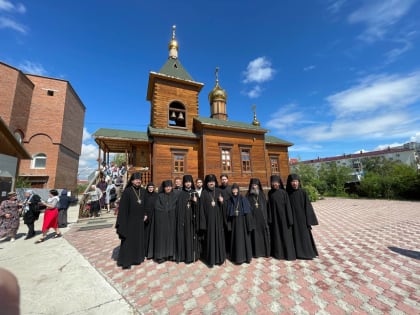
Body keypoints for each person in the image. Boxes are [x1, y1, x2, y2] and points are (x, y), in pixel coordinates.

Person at [115, 172, 147, 269]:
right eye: (136, 179)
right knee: (128, 241)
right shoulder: (127, 191)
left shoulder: (143, 191)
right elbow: (123, 209)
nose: (138, 181)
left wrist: (145, 213)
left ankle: (137, 258)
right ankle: (126, 261)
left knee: (138, 240)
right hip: (129, 221)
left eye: (139, 179)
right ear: (132, 181)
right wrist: (123, 222)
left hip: (140, 221)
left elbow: (145, 204)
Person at [286, 174, 319, 259]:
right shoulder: (287, 194)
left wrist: (309, 221)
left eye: (296, 181)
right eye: (293, 181)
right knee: (294, 236)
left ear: (299, 182)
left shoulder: (303, 192)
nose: (295, 183)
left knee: (304, 236)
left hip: (302, 219)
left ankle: (307, 253)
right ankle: (297, 253)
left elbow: (308, 206)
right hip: (292, 219)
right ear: (290, 183)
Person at [199, 174, 226, 267]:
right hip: (209, 221)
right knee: (210, 239)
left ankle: (219, 258)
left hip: (218, 220)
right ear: (206, 183)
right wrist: (203, 223)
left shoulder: (219, 191)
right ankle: (211, 259)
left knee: (219, 238)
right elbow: (201, 209)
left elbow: (224, 207)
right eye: (210, 182)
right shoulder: (204, 193)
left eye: (213, 181)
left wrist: (222, 202)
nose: (211, 183)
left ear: (215, 182)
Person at [267, 175, 296, 260]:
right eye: (273, 183)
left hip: (284, 219)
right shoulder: (270, 193)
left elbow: (288, 207)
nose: (275, 184)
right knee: (277, 236)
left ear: (279, 183)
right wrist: (270, 218)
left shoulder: (284, 193)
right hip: (275, 219)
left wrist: (290, 220)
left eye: (276, 182)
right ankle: (278, 254)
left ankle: (288, 254)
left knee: (286, 236)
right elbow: (269, 207)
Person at [150, 180, 178, 263]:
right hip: (162, 222)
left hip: (172, 221)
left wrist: (171, 210)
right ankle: (161, 256)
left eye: (169, 186)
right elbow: (157, 207)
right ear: (164, 188)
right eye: (166, 187)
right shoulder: (160, 196)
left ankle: (171, 255)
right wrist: (165, 211)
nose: (168, 188)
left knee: (172, 238)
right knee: (162, 239)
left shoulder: (175, 196)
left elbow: (177, 207)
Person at [226, 183, 254, 264]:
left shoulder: (243, 198)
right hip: (234, 224)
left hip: (243, 223)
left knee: (244, 239)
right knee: (235, 240)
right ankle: (236, 258)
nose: (234, 191)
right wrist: (229, 225)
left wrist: (249, 225)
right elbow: (228, 214)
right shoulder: (230, 200)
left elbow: (248, 213)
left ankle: (246, 257)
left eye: (236, 189)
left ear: (238, 190)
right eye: (233, 190)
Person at [175, 175, 200, 264]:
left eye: (189, 182)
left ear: (191, 183)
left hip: (192, 219)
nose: (188, 183)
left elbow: (199, 208)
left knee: (192, 236)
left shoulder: (194, 193)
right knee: (184, 237)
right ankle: (184, 256)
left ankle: (193, 256)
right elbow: (178, 208)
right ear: (184, 183)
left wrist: (196, 202)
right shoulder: (181, 193)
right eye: (186, 182)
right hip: (184, 220)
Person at [246, 178, 271, 258]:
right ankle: (256, 253)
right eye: (253, 185)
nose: (254, 187)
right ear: (251, 186)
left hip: (262, 219)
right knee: (255, 236)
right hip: (253, 219)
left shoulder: (262, 195)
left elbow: (265, 207)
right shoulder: (248, 196)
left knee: (263, 235)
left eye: (256, 185)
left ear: (258, 186)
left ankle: (265, 252)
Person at [143, 182, 157, 257]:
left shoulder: (156, 195)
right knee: (147, 233)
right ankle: (146, 251)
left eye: (152, 187)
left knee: (153, 233)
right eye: (149, 187)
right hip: (147, 217)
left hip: (154, 216)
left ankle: (153, 251)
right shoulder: (144, 195)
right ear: (147, 188)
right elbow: (142, 206)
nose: (151, 189)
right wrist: (144, 214)